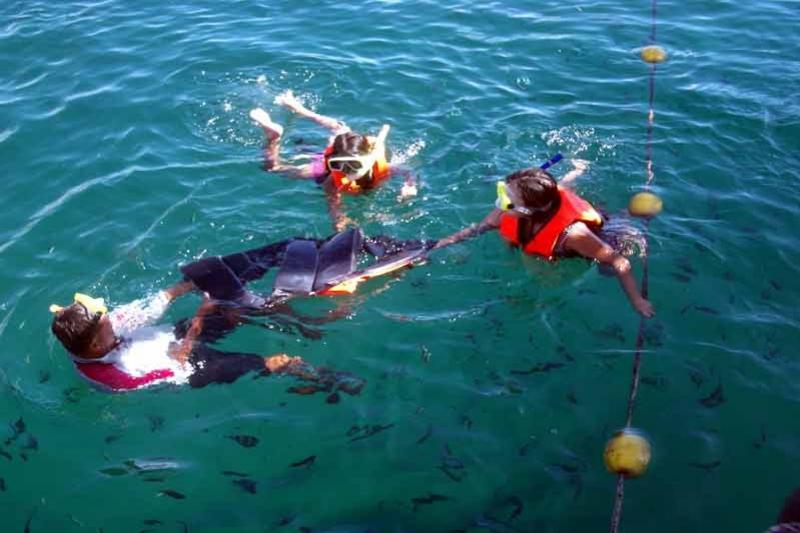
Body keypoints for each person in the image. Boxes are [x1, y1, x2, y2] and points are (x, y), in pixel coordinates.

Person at [49, 228, 430, 393]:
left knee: (241, 307)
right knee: (277, 360)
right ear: (96, 346)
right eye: (105, 325)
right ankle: (332, 379)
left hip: (173, 335)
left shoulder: (92, 331)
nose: (112, 318)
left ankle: (300, 311)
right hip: (192, 365)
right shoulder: (117, 374)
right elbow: (178, 363)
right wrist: (200, 318)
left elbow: (149, 307)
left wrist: (191, 284)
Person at [433, 160, 655, 318]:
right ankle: (587, 180)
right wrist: (441, 244)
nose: (500, 202)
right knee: (567, 189)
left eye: (507, 198)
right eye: (503, 191)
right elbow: (478, 228)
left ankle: (631, 215)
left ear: (528, 210)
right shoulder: (511, 210)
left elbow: (619, 262)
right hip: (550, 220)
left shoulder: (575, 235)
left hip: (599, 237)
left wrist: (637, 301)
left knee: (607, 267)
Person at [250, 90, 418, 231]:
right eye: (340, 165)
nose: (346, 171)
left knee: (340, 129)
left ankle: (299, 109)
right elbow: (333, 201)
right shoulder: (332, 176)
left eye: (352, 166)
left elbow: (409, 172)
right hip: (324, 166)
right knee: (274, 168)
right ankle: (274, 138)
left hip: (338, 153)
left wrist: (409, 185)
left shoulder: (381, 167)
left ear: (367, 157)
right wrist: (339, 219)